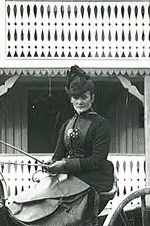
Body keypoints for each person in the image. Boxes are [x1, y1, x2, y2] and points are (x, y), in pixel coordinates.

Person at [45, 65, 115, 212]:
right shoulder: (66, 125)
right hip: (73, 179)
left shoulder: (101, 125)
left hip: (97, 179)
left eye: (84, 97)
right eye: (76, 98)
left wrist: (64, 165)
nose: (80, 102)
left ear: (92, 98)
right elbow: (58, 155)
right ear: (71, 99)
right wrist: (51, 165)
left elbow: (97, 161)